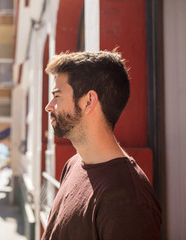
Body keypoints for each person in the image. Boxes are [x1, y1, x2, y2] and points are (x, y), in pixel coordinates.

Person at [42, 51, 162, 240]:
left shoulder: (130, 200)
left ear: (89, 101)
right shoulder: (73, 164)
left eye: (57, 96)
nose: (49, 106)